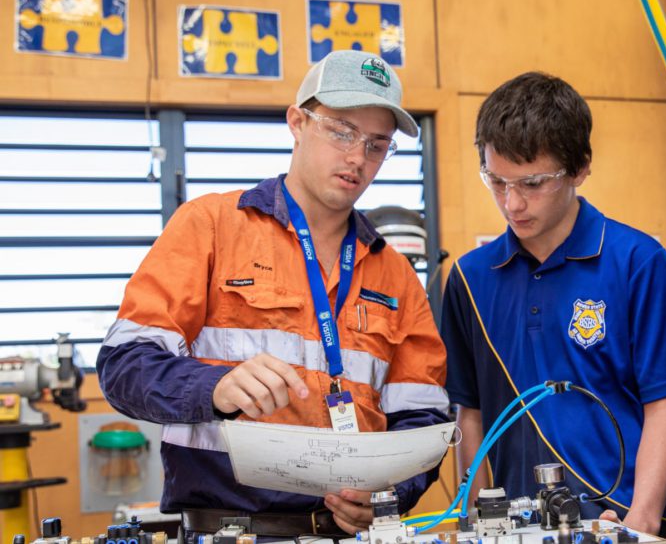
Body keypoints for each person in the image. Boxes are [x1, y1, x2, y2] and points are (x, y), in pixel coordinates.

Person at [96, 50, 449, 539]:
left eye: (376, 144)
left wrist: (392, 494)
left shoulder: (395, 275)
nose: (356, 158)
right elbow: (124, 367)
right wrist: (213, 388)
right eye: (342, 131)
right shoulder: (211, 227)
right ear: (297, 122)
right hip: (226, 529)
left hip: (348, 533)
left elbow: (422, 415)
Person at [440, 72, 666, 538]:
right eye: (496, 181)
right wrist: (477, 523)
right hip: (514, 528)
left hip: (616, 522)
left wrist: (640, 521)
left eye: (533, 183)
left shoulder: (637, 263)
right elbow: (471, 413)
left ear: (581, 167)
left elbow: (665, 404)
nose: (512, 203)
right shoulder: (470, 278)